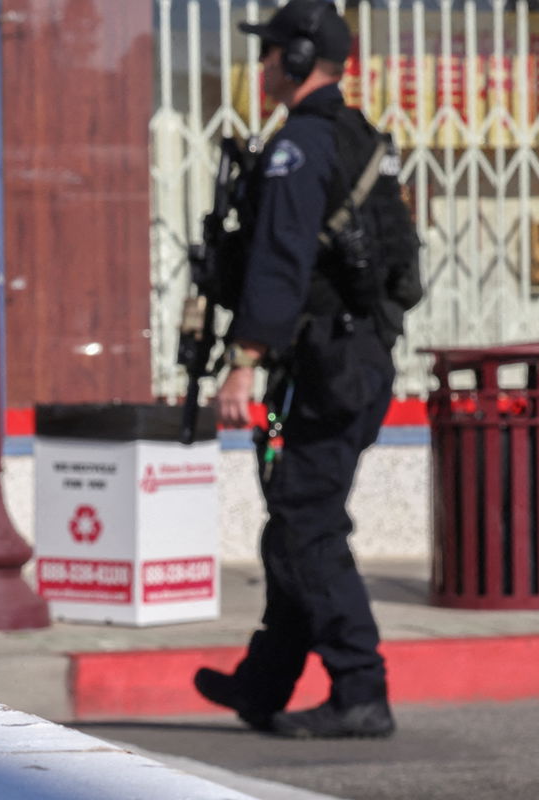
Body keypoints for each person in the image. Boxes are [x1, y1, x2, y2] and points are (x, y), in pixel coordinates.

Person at [194, 0, 402, 738]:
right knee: (295, 521)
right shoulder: (352, 137)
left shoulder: (301, 147)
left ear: (301, 56)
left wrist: (241, 362)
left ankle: (361, 689)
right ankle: (266, 681)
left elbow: (280, 266)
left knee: (306, 524)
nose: (263, 65)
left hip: (328, 366)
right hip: (350, 360)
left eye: (272, 51)